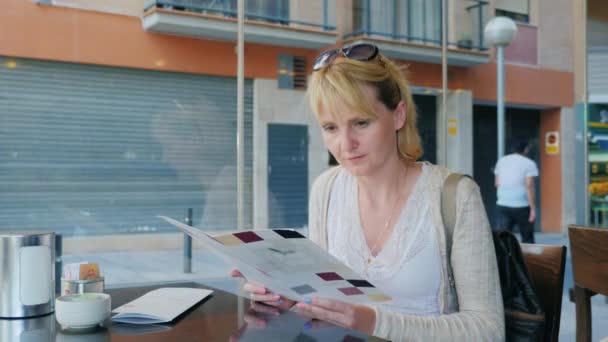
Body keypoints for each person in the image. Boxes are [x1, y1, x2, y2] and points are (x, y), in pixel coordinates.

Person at [232, 43, 504, 341]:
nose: (346, 145)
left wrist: (372, 322)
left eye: (361, 123)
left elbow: (487, 331)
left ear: (398, 115)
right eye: (331, 128)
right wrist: (292, 299)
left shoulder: (455, 195)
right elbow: (324, 300)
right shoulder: (327, 189)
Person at [494, 138, 539, 243]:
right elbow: (529, 186)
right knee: (527, 239)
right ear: (526, 149)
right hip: (522, 206)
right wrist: (533, 209)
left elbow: (497, 183)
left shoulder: (502, 161)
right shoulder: (529, 163)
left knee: (502, 240)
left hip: (503, 205)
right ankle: (527, 259)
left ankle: (504, 259)